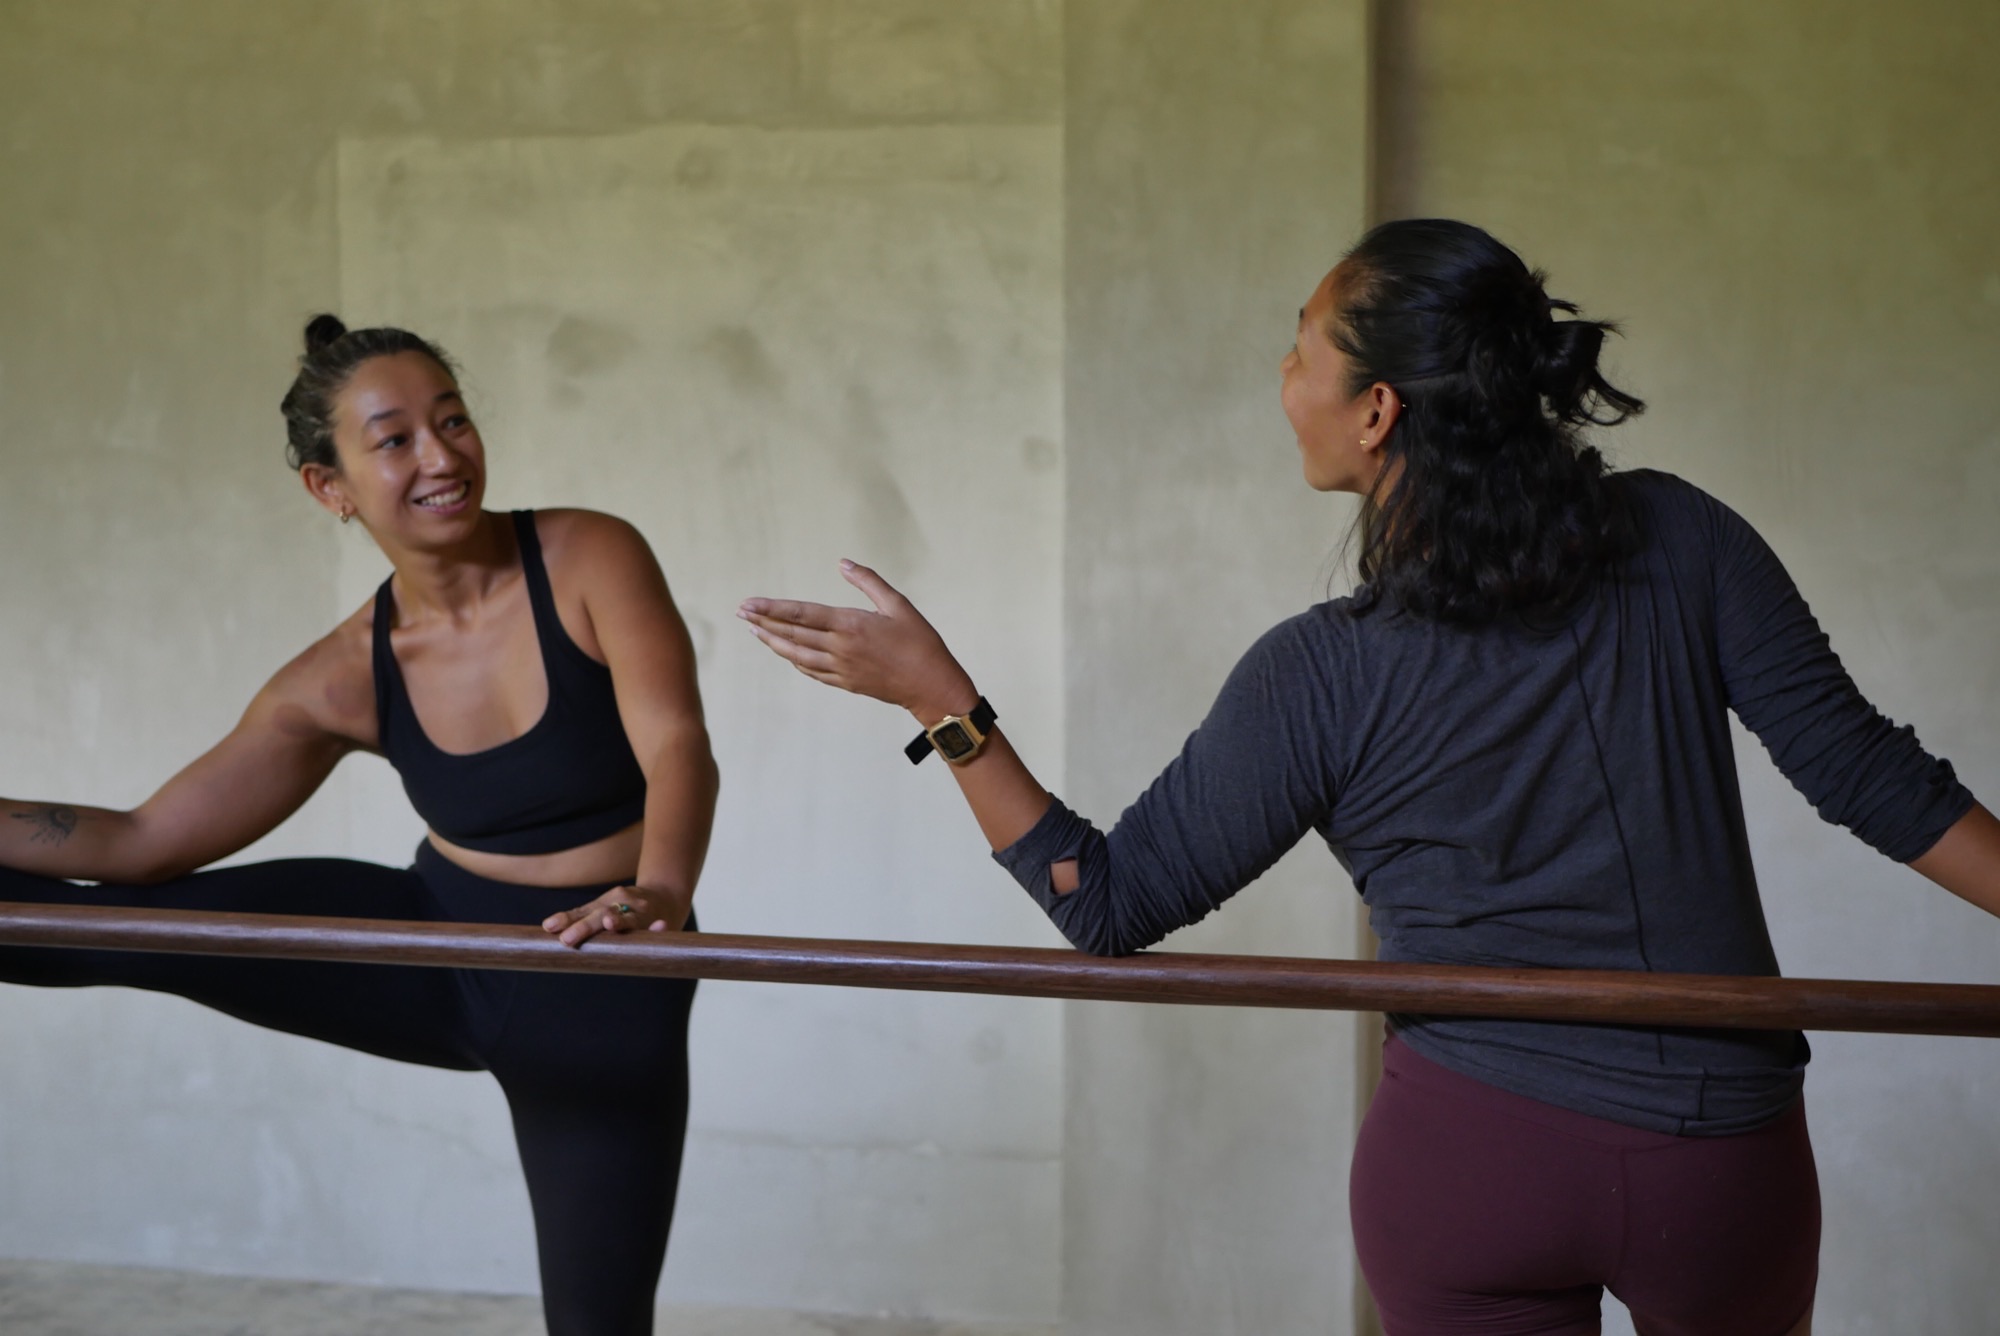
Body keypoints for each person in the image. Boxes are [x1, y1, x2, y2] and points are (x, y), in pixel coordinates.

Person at [739, 218, 2000, 1336]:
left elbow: (1099, 900)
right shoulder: (1679, 535)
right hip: (1713, 1160)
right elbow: (1867, 774)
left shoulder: (1315, 675)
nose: (1280, 380)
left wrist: (940, 704)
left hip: (1468, 1165)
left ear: (1377, 409)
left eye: (1298, 351)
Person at [0, 316, 718, 1336]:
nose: (441, 455)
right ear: (328, 486)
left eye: (453, 420)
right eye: (393, 439)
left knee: (597, 1325)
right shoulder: (340, 675)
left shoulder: (589, 554)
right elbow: (139, 842)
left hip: (600, 975)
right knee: (116, 923)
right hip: (432, 938)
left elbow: (677, 743)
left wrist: (660, 895)